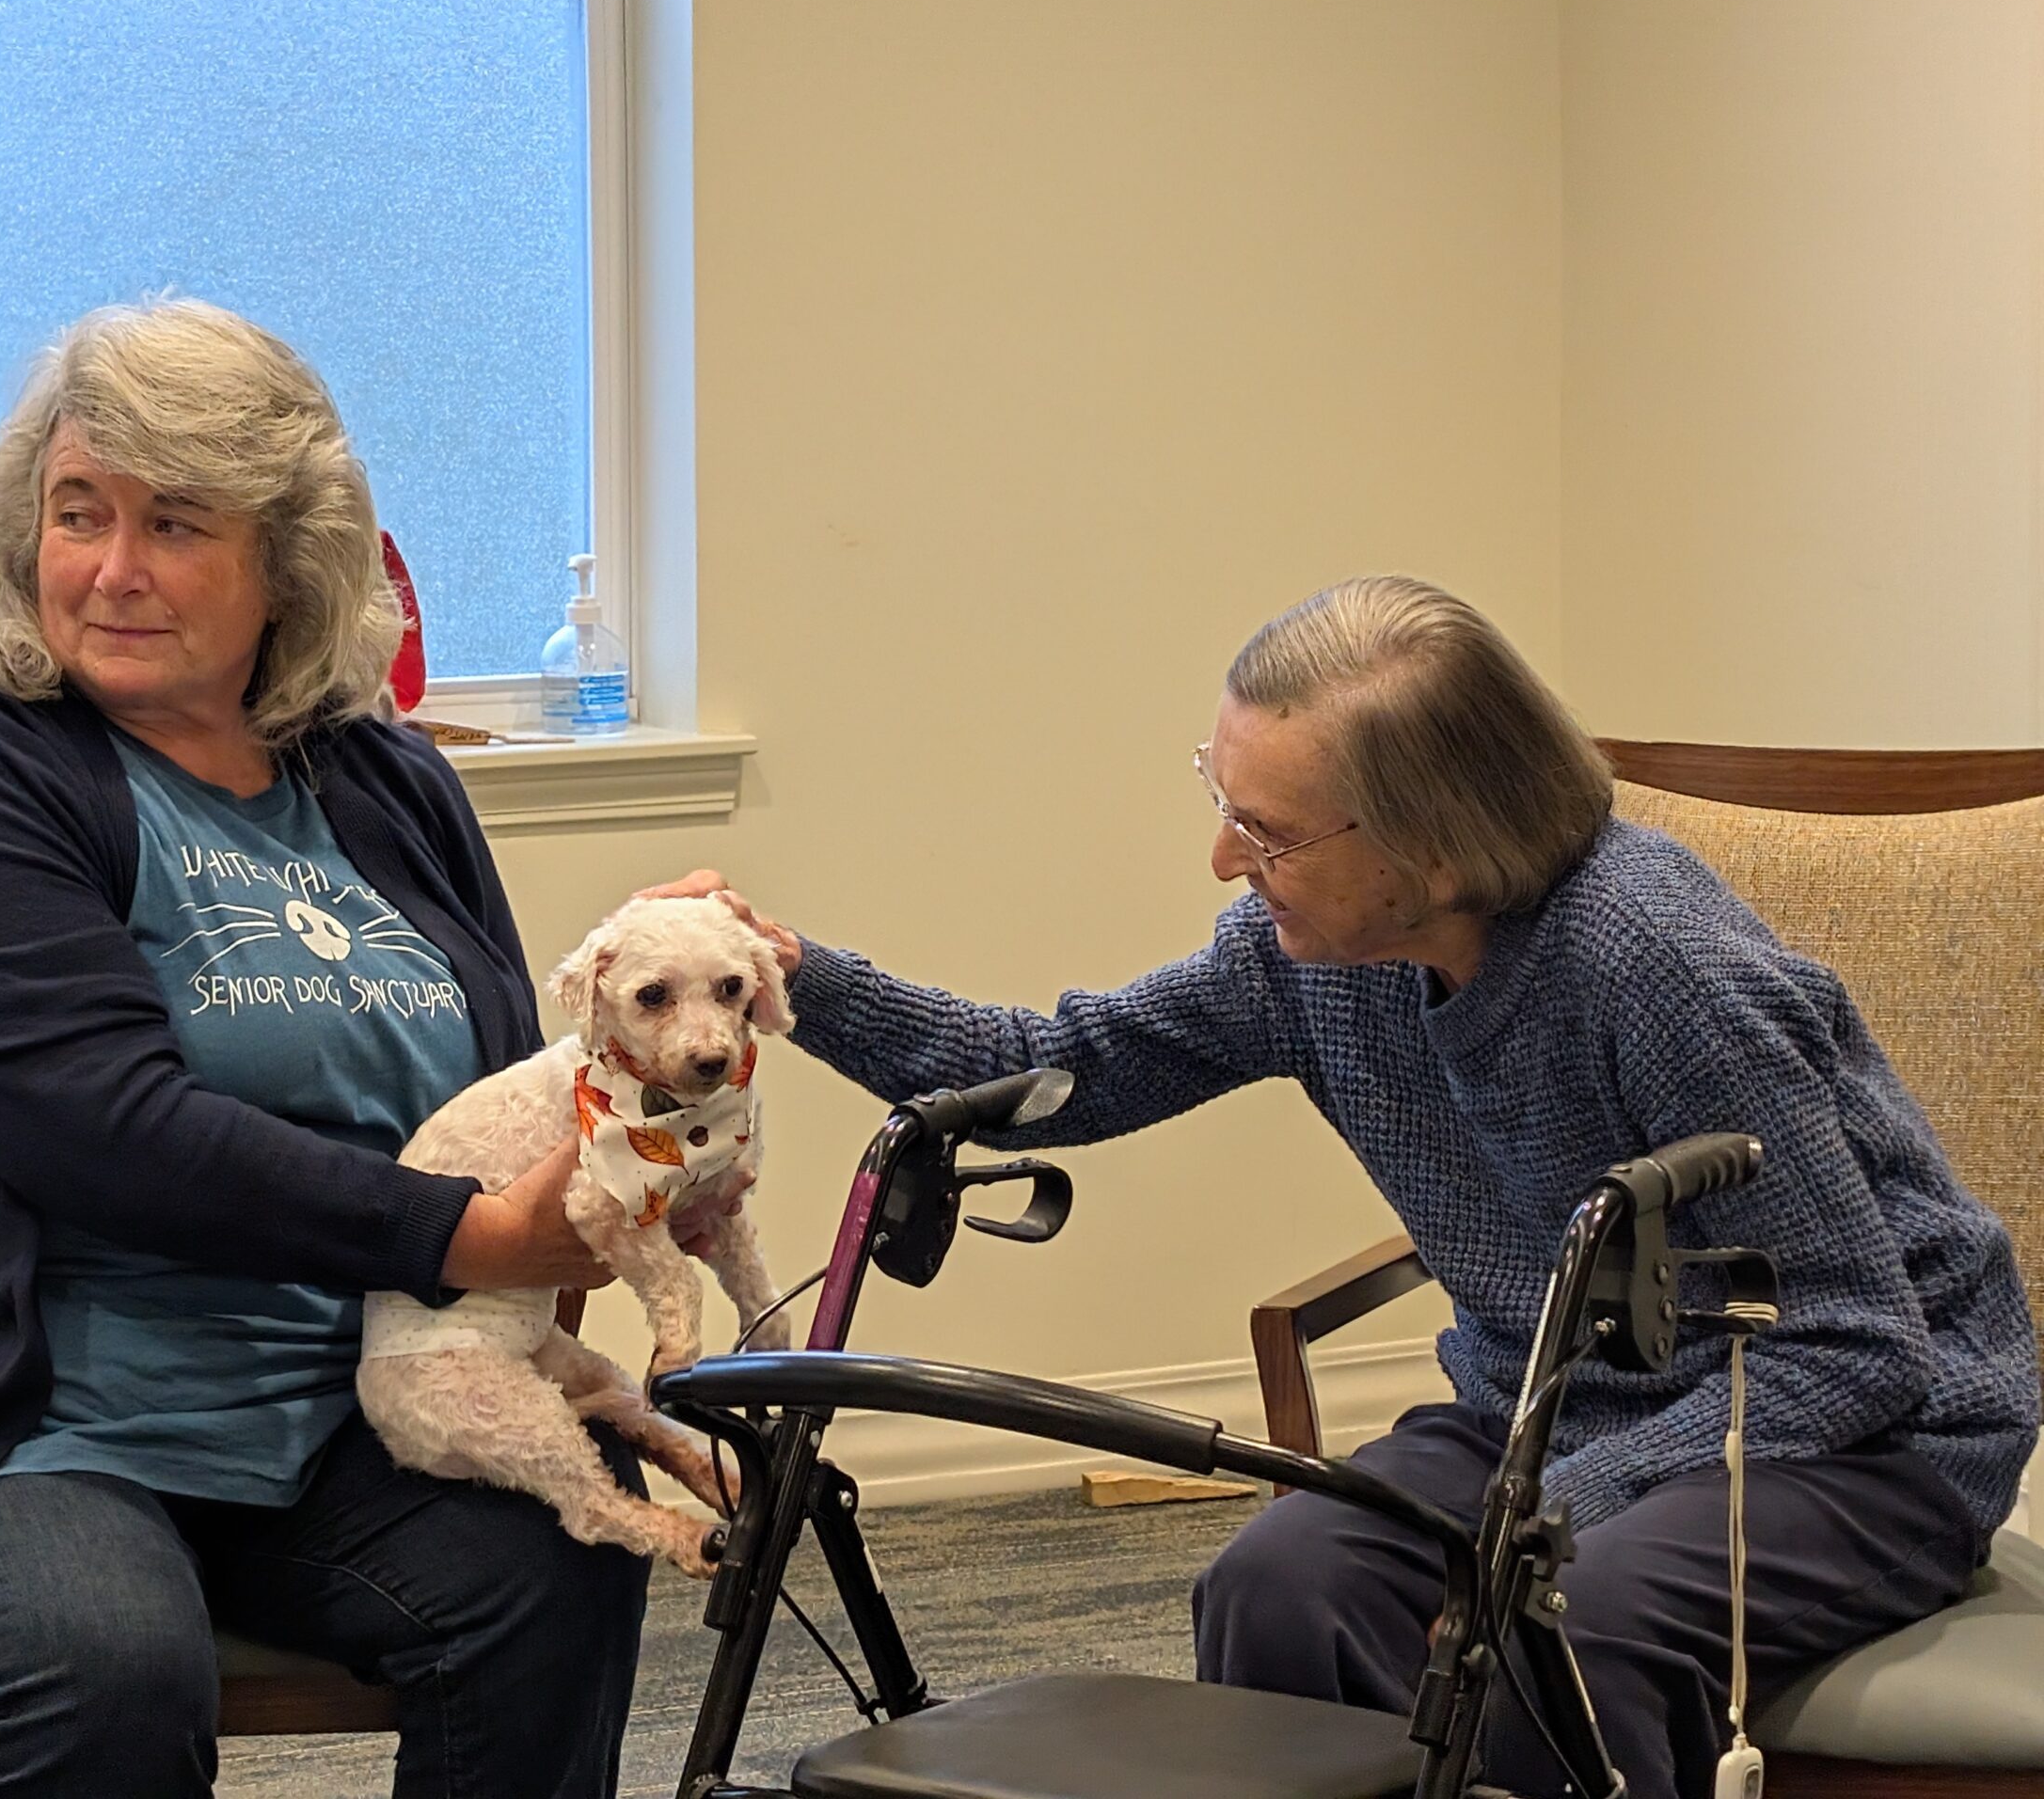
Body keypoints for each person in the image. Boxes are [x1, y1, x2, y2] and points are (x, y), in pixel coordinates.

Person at [656, 576, 2040, 1799]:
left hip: (1860, 1439)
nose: (1224, 861)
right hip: (1554, 1407)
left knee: (1566, 1618)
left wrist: (1551, 1503)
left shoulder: (1659, 969)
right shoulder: (1311, 958)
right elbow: (1060, 1069)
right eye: (1223, 802)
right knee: (1279, 1584)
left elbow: (1855, 1347)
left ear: (1433, 844)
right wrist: (788, 973)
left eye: (1268, 832)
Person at [0, 299, 656, 1799]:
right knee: (106, 1666)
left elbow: (499, 1081)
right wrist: (465, 1237)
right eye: (79, 512)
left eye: (175, 523)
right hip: (12, 1414)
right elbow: (110, 1133)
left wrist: (642, 1050)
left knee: (564, 1547)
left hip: (339, 1392)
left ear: (288, 561)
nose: (112, 569)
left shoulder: (384, 779)